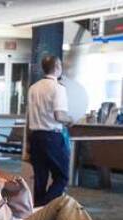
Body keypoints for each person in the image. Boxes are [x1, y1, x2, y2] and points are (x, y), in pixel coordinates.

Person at [27, 55, 71, 206]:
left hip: (35, 137)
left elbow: (29, 117)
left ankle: (38, 210)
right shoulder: (58, 88)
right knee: (62, 177)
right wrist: (70, 120)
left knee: (40, 179)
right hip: (52, 137)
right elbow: (59, 115)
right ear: (58, 66)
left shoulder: (33, 88)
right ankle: (45, 206)